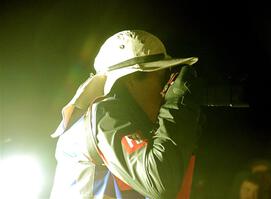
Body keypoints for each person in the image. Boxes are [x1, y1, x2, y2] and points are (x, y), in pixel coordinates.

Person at [50, 29, 203, 199]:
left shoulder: (129, 124)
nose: (167, 87)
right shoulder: (103, 116)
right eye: (163, 77)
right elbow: (161, 183)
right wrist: (178, 105)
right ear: (130, 81)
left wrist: (186, 128)